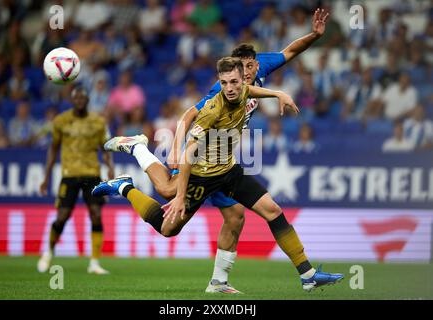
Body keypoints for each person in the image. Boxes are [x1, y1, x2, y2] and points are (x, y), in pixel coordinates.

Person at [102, 8, 331, 293]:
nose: (246, 74)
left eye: (250, 68)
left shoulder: (255, 73)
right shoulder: (219, 94)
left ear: (256, 66)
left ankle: (222, 282)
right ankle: (133, 163)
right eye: (240, 70)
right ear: (231, 72)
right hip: (200, 162)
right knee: (168, 204)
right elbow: (188, 115)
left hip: (226, 165)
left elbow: (290, 51)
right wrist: (175, 146)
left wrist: (315, 35)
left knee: (238, 217)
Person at [37, 87, 114, 275]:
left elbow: (104, 148)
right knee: (62, 216)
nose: (79, 100)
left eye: (83, 96)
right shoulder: (61, 121)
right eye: (76, 97)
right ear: (72, 100)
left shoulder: (98, 122)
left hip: (91, 173)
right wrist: (46, 177)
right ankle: (49, 251)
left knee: (96, 214)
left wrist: (110, 168)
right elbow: (53, 149)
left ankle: (94, 262)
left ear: (88, 99)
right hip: (69, 174)